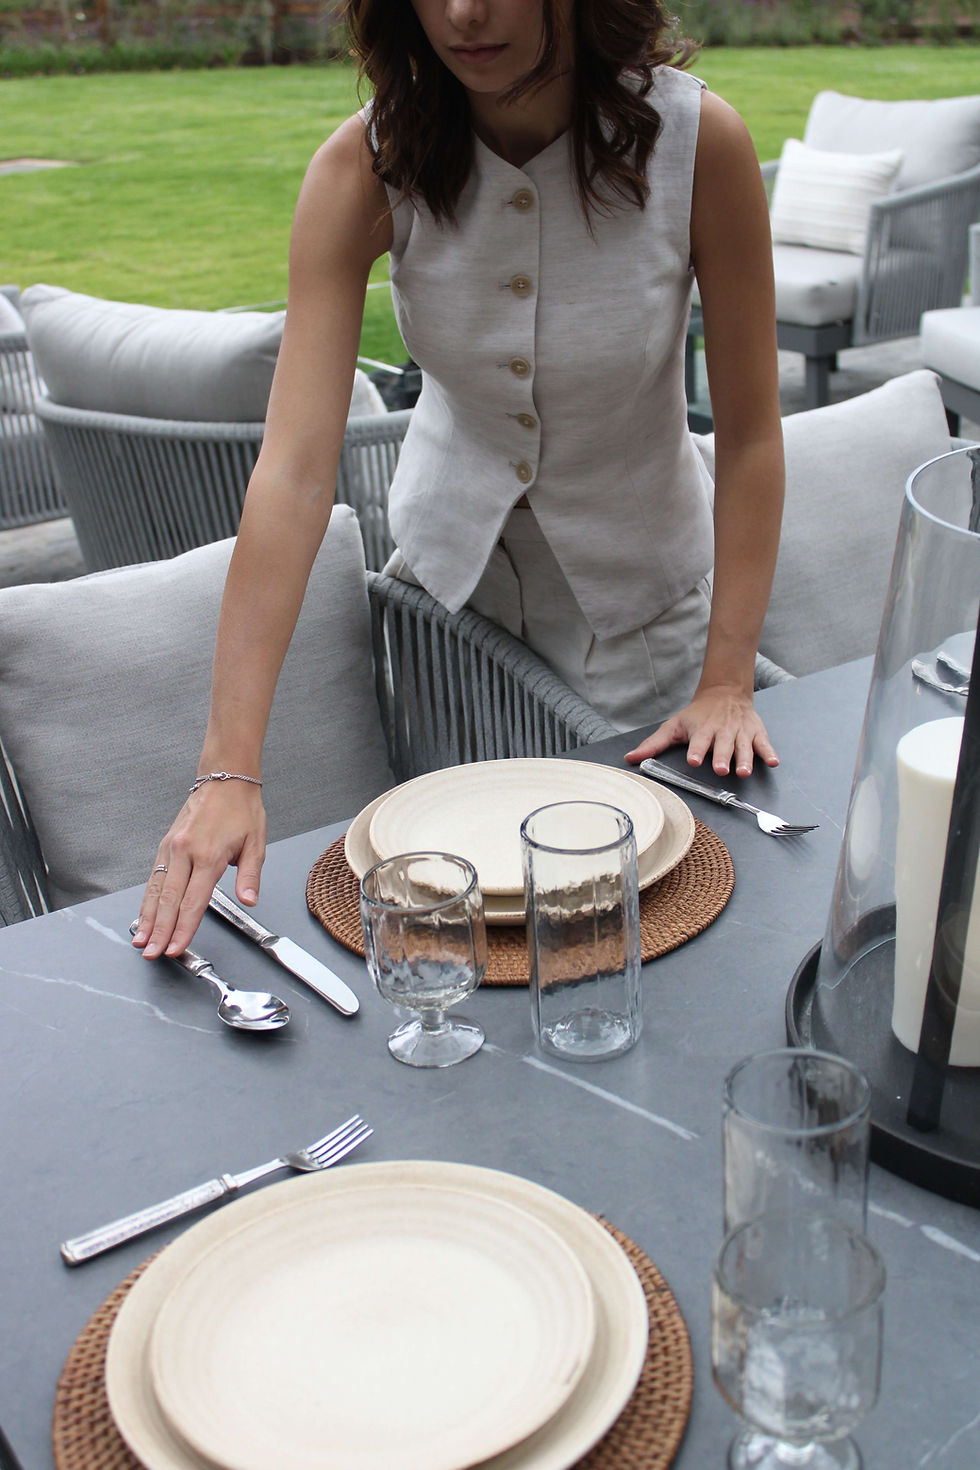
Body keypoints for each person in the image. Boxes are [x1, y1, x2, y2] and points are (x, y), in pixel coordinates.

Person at [133, 0, 784, 962]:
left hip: (644, 631)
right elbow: (296, 472)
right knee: (467, 939)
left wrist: (728, 676)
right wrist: (227, 767)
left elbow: (752, 437)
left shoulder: (698, 146)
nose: (464, 13)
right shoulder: (365, 165)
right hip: (450, 616)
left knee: (651, 942)